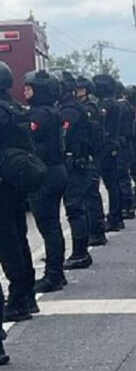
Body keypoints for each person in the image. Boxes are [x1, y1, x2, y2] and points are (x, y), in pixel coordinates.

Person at [0, 60, 41, 331]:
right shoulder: (14, 108)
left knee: (7, 243)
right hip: (14, 181)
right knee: (18, 237)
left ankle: (17, 298)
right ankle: (26, 294)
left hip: (3, 181)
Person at [23, 70, 69, 293]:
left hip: (46, 173)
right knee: (51, 226)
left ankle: (54, 275)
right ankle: (56, 272)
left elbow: (27, 133)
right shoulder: (50, 111)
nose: (26, 91)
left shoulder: (41, 114)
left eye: (30, 87)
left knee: (48, 227)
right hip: (55, 171)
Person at [57, 72, 95, 270]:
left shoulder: (70, 110)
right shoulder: (67, 107)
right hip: (72, 164)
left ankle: (80, 253)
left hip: (75, 165)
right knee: (74, 207)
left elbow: (62, 135)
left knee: (74, 208)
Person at [76, 76, 108, 246]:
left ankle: (96, 231)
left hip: (91, 155)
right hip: (90, 154)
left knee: (91, 195)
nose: (77, 91)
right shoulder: (84, 107)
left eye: (80, 89)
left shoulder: (90, 108)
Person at [93, 74, 124, 232]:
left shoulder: (107, 105)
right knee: (113, 184)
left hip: (107, 145)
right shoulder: (112, 103)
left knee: (111, 184)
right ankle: (115, 216)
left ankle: (114, 217)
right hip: (111, 144)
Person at [116, 80, 136, 220]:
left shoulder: (121, 107)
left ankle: (125, 207)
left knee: (121, 178)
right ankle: (127, 206)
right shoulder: (128, 106)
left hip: (122, 145)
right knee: (124, 177)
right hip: (127, 144)